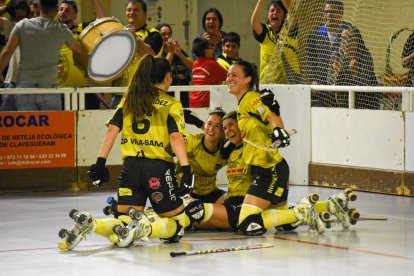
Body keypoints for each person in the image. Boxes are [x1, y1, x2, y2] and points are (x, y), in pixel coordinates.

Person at [58, 55, 216, 250]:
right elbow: (175, 138)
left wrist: (100, 162)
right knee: (177, 223)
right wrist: (186, 170)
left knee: (124, 221)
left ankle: (92, 223)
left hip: (130, 168)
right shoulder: (171, 104)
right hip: (157, 168)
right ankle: (147, 229)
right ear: (168, 77)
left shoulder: (129, 99)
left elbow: (112, 130)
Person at [226, 60, 327, 236]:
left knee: (246, 223)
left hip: (269, 171)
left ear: (248, 79)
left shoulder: (250, 99)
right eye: (228, 75)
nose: (229, 78)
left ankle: (299, 212)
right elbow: (271, 116)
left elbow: (270, 116)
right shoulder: (243, 102)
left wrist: (279, 129)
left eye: (234, 75)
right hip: (269, 169)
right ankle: (303, 212)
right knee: (284, 225)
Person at [0, 0, 81, 111]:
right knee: (52, 126)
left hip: (25, 87)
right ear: (57, 9)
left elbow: (7, 52)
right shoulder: (62, 30)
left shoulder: (22, 25)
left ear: (39, 7)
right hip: (49, 86)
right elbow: (78, 48)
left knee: (28, 126)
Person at [110, 0, 163, 109]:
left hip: (144, 91)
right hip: (120, 92)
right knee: (115, 125)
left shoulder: (154, 34)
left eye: (136, 10)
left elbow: (149, 53)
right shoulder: (120, 33)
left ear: (145, 14)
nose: (131, 13)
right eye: (129, 10)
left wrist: (134, 37)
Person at [57, 0, 105, 110]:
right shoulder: (52, 32)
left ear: (75, 15)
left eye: (67, 10)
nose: (63, 12)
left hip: (86, 90)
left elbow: (102, 21)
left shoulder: (83, 28)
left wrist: (95, 2)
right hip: (61, 90)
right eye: (61, 9)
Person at [307, 0, 355, 106]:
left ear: (341, 13)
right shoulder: (316, 34)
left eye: (332, 12)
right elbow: (310, 58)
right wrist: (313, 79)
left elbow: (355, 57)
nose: (328, 15)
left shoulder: (350, 32)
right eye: (326, 12)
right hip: (323, 90)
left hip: (344, 89)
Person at [177, 107, 228, 204]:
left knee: (233, 206)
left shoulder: (226, 149)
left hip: (210, 193)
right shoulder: (192, 141)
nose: (211, 129)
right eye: (209, 123)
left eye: (218, 126)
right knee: (194, 211)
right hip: (186, 193)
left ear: (223, 131)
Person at [328, 27, 379, 108]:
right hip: (344, 103)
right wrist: (336, 74)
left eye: (350, 38)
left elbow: (365, 82)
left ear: (356, 41)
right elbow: (328, 83)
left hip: (366, 102)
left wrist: (354, 73)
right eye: (344, 38)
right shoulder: (336, 56)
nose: (346, 42)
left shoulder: (365, 55)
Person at [251, 0, 299, 84]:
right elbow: (254, 23)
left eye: (279, 11)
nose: (275, 13)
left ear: (284, 15)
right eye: (272, 10)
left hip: (291, 83)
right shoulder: (265, 32)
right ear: (268, 14)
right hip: (268, 84)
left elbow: (294, 17)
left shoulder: (290, 31)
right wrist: (260, 2)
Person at [0, 0, 30, 111]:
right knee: (9, 120)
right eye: (18, 17)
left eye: (23, 17)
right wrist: (7, 8)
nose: (20, 21)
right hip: (12, 79)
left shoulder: (33, 25)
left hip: (29, 82)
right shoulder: (9, 24)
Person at [156, 23, 192, 107]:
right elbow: (163, 69)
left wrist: (179, 53)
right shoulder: (157, 53)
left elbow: (192, 67)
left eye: (169, 34)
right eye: (163, 34)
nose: (167, 37)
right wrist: (170, 52)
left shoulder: (178, 51)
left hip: (183, 96)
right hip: (166, 96)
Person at [190, 37, 227, 108]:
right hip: (206, 101)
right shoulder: (212, 64)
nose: (213, 49)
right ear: (206, 51)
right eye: (211, 47)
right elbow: (227, 76)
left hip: (193, 100)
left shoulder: (195, 63)